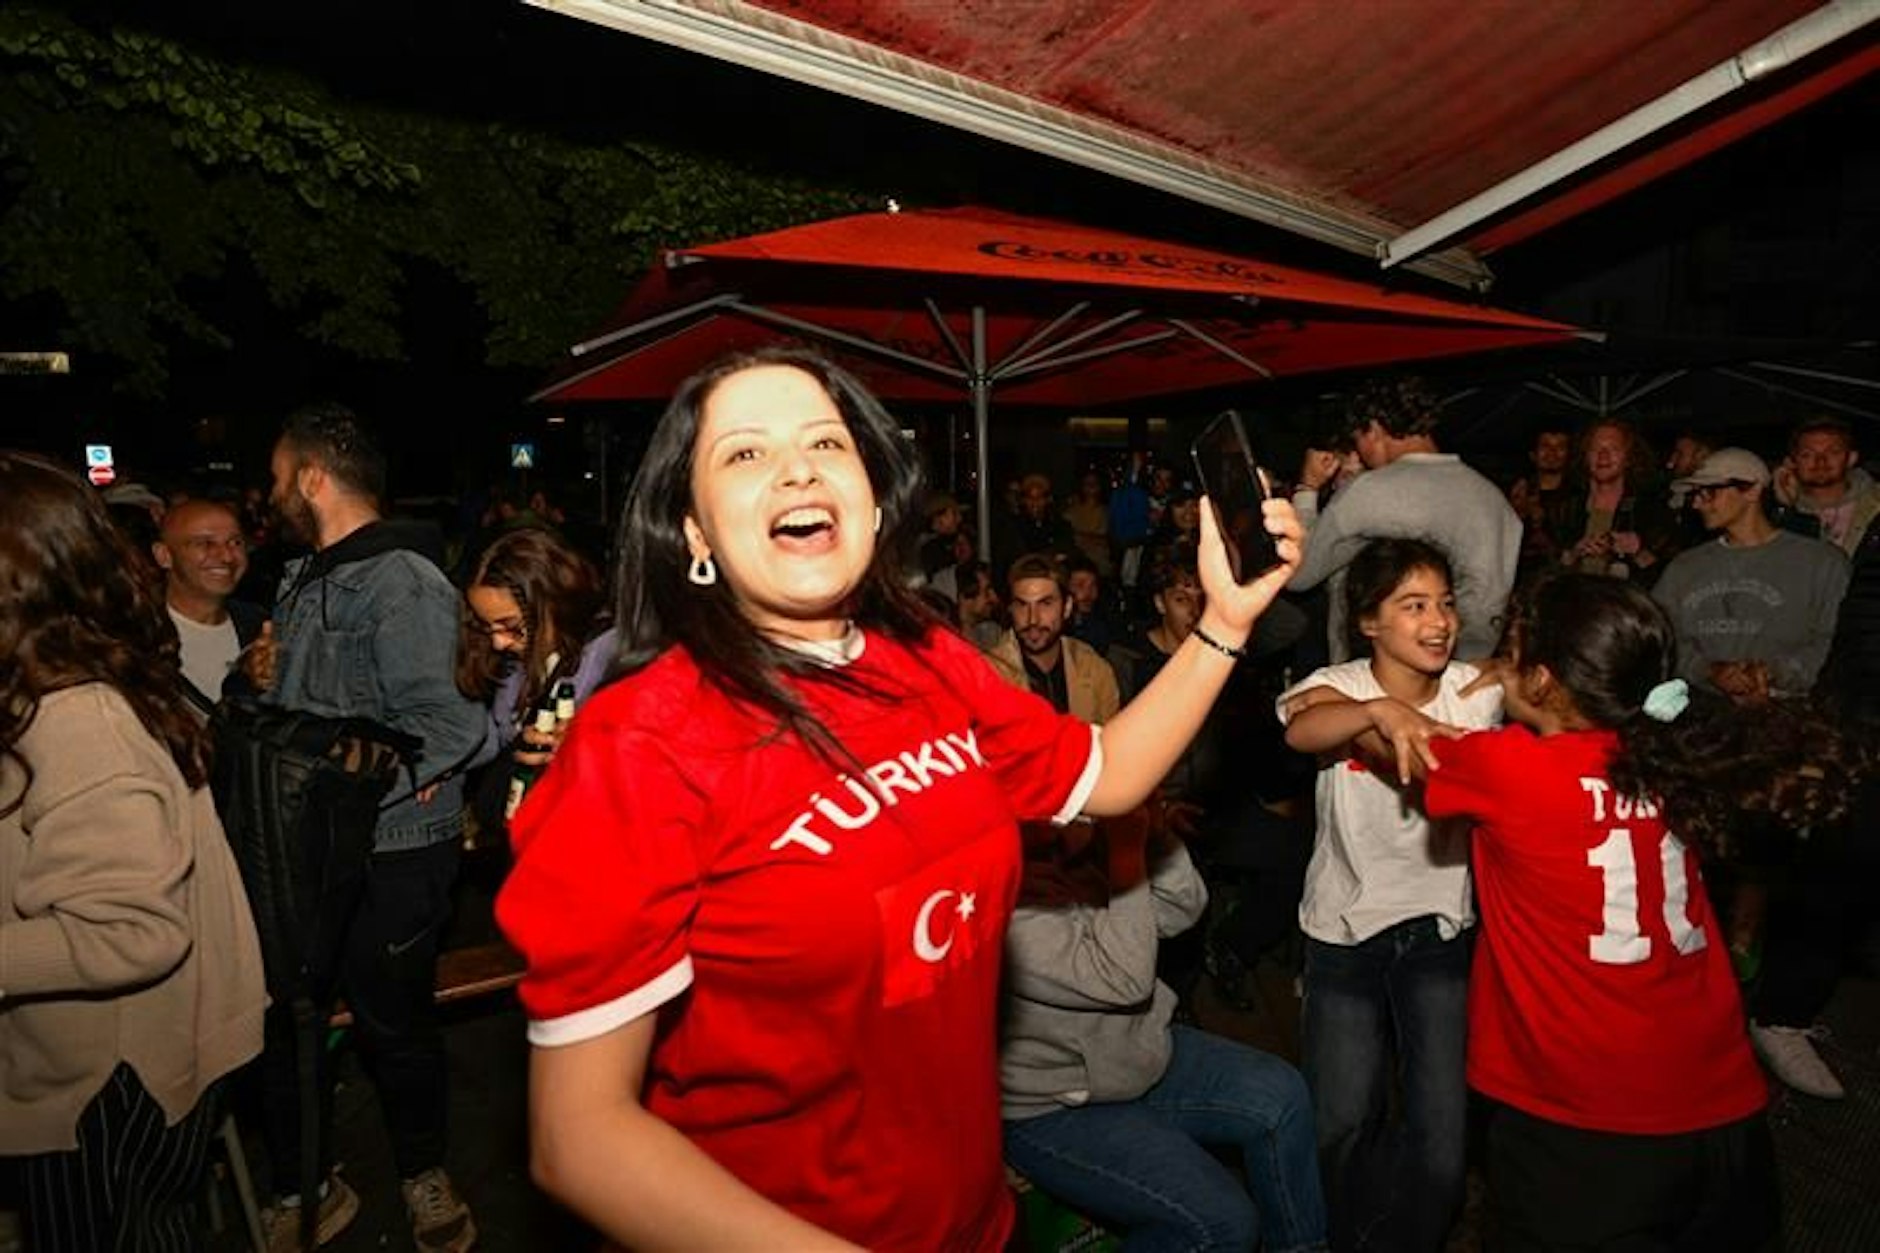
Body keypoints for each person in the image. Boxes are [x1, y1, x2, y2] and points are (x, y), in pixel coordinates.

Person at [494, 346, 1303, 1253]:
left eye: (825, 443)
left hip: (971, 1220)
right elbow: (581, 1137)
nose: (796, 466)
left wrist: (1225, 622)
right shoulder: (638, 743)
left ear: (872, 499)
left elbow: (1105, 772)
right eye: (745, 453)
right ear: (693, 533)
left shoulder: (926, 655)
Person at [1409, 574, 1858, 1250]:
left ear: (1540, 678)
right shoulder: (1672, 752)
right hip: (1722, 1111)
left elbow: (1396, 741)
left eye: (1511, 651)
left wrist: (1381, 712)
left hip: (1585, 1126)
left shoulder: (1508, 767)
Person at [0, 451, 267, 1253]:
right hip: (104, 1057)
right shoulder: (74, 677)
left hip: (112, 1076)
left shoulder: (78, 711)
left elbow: (131, 930)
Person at [244, 404, 488, 1253]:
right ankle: (311, 1183)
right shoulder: (305, 576)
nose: (271, 496)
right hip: (312, 850)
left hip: (392, 854)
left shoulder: (401, 582)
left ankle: (423, 1172)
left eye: (280, 478)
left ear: (315, 477)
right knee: (293, 1016)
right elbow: (307, 721)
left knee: (395, 1026)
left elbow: (455, 730)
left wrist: (338, 798)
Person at [1277, 538, 1503, 1253]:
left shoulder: (1479, 692)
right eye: (1414, 605)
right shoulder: (1336, 683)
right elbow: (1300, 726)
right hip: (1343, 935)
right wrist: (1381, 713)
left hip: (1441, 934)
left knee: (1442, 1138)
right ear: (1369, 621)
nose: (1438, 621)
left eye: (1444, 603)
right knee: (1340, 1121)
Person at [1000, 808, 1328, 1253]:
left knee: (1281, 1098)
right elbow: (1122, 978)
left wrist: (1155, 834)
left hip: (1138, 1053)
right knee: (1219, 1223)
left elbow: (1182, 911)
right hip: (1056, 1106)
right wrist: (1126, 851)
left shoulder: (1081, 844)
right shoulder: (1009, 889)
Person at [1288, 377, 1521, 663]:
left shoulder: (1371, 490)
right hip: (1470, 680)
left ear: (1373, 429)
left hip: (1383, 684)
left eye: (1358, 440)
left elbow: (1298, 575)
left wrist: (1307, 488)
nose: (1360, 452)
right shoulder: (1495, 500)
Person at [455, 527, 619, 832]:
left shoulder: (612, 655)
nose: (498, 643)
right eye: (487, 627)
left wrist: (582, 745)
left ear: (552, 604)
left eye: (512, 627)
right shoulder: (518, 660)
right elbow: (496, 736)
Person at [153, 497, 266, 709]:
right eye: (205, 544)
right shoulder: (136, 637)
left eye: (235, 543)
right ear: (164, 556)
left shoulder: (263, 629)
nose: (226, 556)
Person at [984, 552, 1122, 722]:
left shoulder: (1094, 670)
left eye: (1045, 604)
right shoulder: (987, 674)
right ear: (1011, 609)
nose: (1032, 619)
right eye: (1022, 605)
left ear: (1067, 607)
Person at [1555, 418, 1678, 585]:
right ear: (1585, 456)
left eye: (1613, 449)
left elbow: (1671, 577)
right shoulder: (1565, 508)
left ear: (1629, 458)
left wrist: (1637, 551)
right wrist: (1573, 554)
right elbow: (1545, 572)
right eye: (1595, 448)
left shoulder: (1651, 509)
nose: (1603, 455)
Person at [1770, 416, 1880, 556]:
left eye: (1833, 452)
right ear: (1792, 462)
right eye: (1807, 454)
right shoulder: (1775, 515)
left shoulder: (1876, 505)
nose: (1820, 461)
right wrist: (1785, 507)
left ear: (1851, 458)